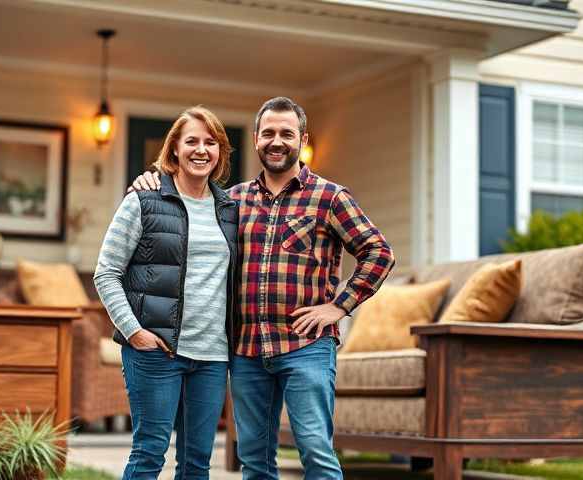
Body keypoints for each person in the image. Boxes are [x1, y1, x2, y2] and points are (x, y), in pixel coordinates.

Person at [131, 97, 395, 479]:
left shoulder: (329, 198)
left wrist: (337, 307)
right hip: (247, 350)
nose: (277, 141)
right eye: (268, 133)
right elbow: (185, 202)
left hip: (305, 347)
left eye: (287, 134)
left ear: (302, 139)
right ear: (255, 139)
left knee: (315, 452)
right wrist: (150, 181)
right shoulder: (232, 201)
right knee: (254, 460)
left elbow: (378, 252)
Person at [94, 106, 239, 479]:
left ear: (221, 152)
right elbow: (106, 273)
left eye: (211, 142)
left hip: (211, 355)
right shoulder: (143, 201)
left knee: (196, 464)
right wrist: (134, 332)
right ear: (174, 148)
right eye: (191, 140)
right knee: (149, 455)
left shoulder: (231, 210)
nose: (201, 150)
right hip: (156, 351)